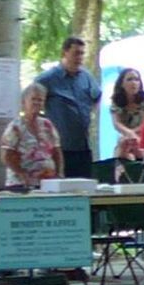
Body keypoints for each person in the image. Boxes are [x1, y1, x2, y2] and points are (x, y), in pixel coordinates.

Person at [33, 37, 102, 180]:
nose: (80, 58)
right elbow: (32, 99)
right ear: (65, 52)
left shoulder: (87, 77)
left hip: (83, 145)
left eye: (82, 54)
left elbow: (96, 97)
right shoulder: (48, 78)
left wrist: (87, 115)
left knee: (85, 187)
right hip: (59, 148)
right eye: (76, 53)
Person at [0, 83, 64, 188]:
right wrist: (22, 174)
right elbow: (6, 156)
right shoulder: (15, 127)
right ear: (24, 102)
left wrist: (59, 173)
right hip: (21, 184)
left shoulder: (47, 125)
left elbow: (57, 152)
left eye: (40, 100)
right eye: (33, 99)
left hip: (47, 183)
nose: (37, 103)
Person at [108, 68, 144, 167]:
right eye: (130, 79)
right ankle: (120, 174)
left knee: (135, 144)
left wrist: (133, 135)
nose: (134, 83)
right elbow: (117, 124)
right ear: (122, 84)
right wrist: (129, 134)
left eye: (136, 79)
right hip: (126, 137)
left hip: (142, 137)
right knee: (122, 145)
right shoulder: (116, 101)